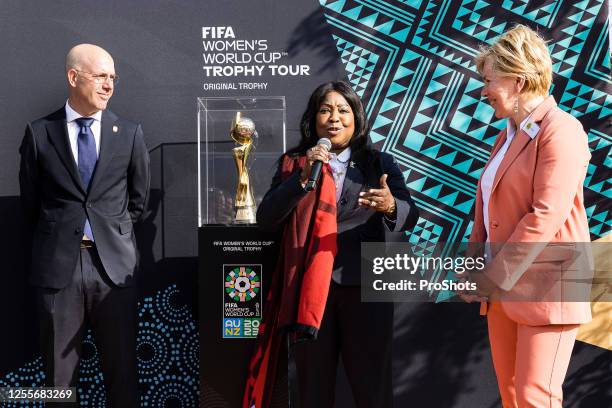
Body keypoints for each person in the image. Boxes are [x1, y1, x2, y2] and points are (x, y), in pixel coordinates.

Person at [248, 81, 419, 407]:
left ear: (356, 118)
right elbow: (268, 217)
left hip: (366, 288)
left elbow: (410, 215)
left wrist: (390, 206)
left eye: (343, 110)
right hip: (311, 290)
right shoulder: (295, 163)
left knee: (373, 390)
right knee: (312, 390)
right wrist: (301, 179)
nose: (334, 118)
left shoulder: (378, 164)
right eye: (325, 110)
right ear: (313, 119)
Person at [466, 25, 592, 407]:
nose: (483, 91)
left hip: (549, 286)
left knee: (535, 397)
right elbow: (488, 212)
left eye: (489, 80)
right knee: (512, 398)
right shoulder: (506, 136)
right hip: (502, 288)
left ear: (518, 80)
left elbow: (545, 215)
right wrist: (476, 267)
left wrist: (492, 275)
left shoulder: (563, 130)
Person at [19, 44, 150, 406]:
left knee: (123, 374)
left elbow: (137, 203)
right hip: (58, 270)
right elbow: (32, 204)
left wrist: (109, 234)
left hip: (113, 270)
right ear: (73, 77)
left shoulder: (130, 133)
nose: (109, 85)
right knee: (59, 381)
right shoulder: (39, 133)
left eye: (112, 77)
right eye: (100, 76)